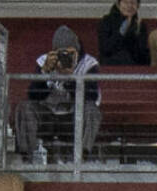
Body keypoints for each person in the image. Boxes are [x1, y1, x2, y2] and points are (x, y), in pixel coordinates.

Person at [14, 26, 102, 161]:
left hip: (74, 119)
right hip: (48, 117)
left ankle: (81, 157)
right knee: (24, 107)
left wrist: (69, 79)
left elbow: (91, 96)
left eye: (71, 53)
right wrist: (44, 73)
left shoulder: (89, 64)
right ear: (54, 52)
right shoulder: (45, 61)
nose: (66, 57)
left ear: (77, 51)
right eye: (62, 53)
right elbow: (33, 96)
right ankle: (26, 157)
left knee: (92, 110)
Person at [97, 0, 150, 66]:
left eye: (133, 3)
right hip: (111, 64)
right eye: (126, 2)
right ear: (118, 4)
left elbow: (142, 54)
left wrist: (137, 34)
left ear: (138, 6)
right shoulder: (107, 21)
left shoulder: (140, 24)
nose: (129, 6)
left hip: (134, 66)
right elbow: (105, 48)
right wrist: (121, 32)